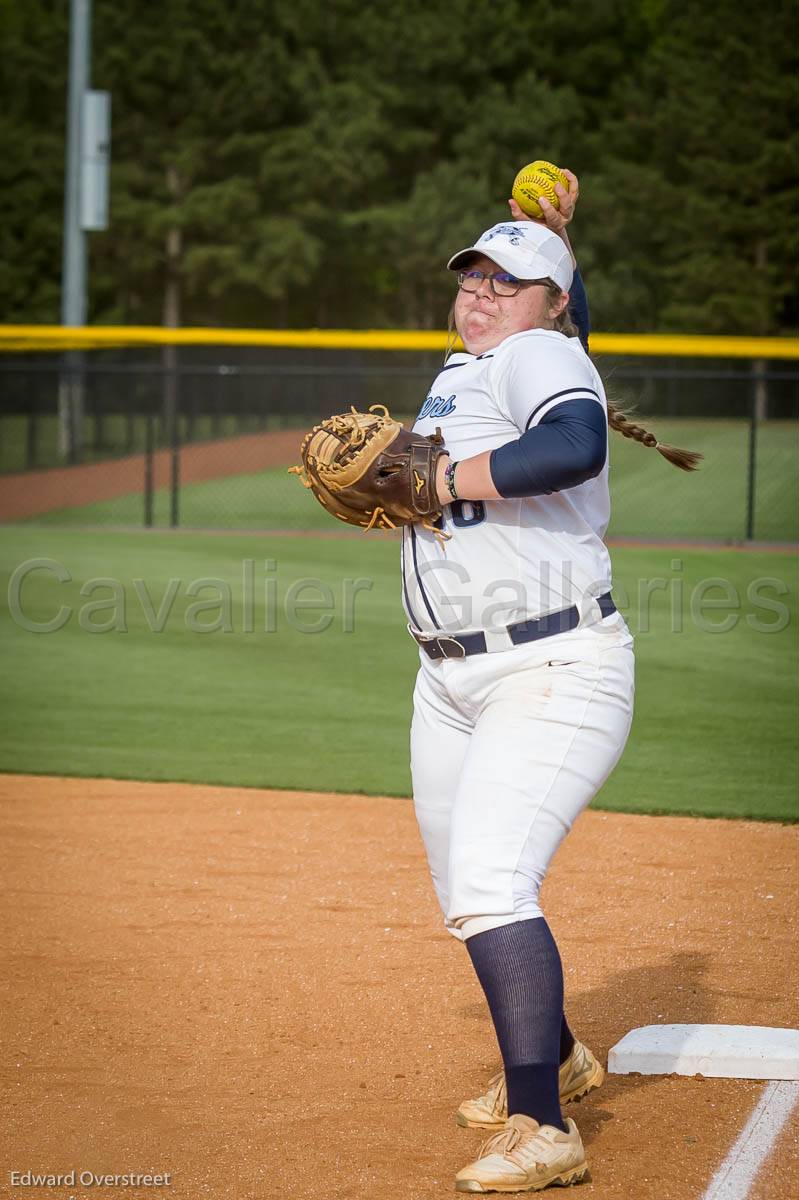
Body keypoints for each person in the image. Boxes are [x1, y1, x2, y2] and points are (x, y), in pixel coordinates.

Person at [403, 174, 699, 1192]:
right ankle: (561, 1057)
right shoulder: (472, 364)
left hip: (550, 666)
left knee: (489, 883)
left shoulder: (535, 353)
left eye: (511, 279)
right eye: (474, 275)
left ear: (552, 304)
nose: (484, 292)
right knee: (464, 892)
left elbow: (573, 443)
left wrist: (439, 480)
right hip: (449, 681)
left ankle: (544, 1128)